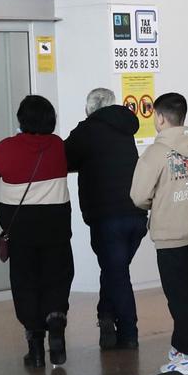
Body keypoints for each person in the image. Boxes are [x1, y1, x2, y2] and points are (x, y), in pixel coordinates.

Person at [130, 91, 188, 374]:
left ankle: (187, 355)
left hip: (171, 234)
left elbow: (138, 196)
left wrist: (160, 201)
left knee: (178, 296)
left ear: (159, 118)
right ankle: (182, 346)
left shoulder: (156, 153)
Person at [0, 95, 76, 368]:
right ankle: (55, 316)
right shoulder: (59, 147)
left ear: (21, 120)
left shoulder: (6, 148)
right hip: (56, 224)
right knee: (57, 275)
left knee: (25, 282)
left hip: (21, 228)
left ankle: (35, 346)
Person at [63, 87, 144, 350]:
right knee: (115, 271)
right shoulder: (126, 128)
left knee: (116, 272)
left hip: (107, 216)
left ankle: (129, 333)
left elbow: (63, 158)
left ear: (89, 108)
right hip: (137, 213)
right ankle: (106, 316)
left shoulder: (86, 131)